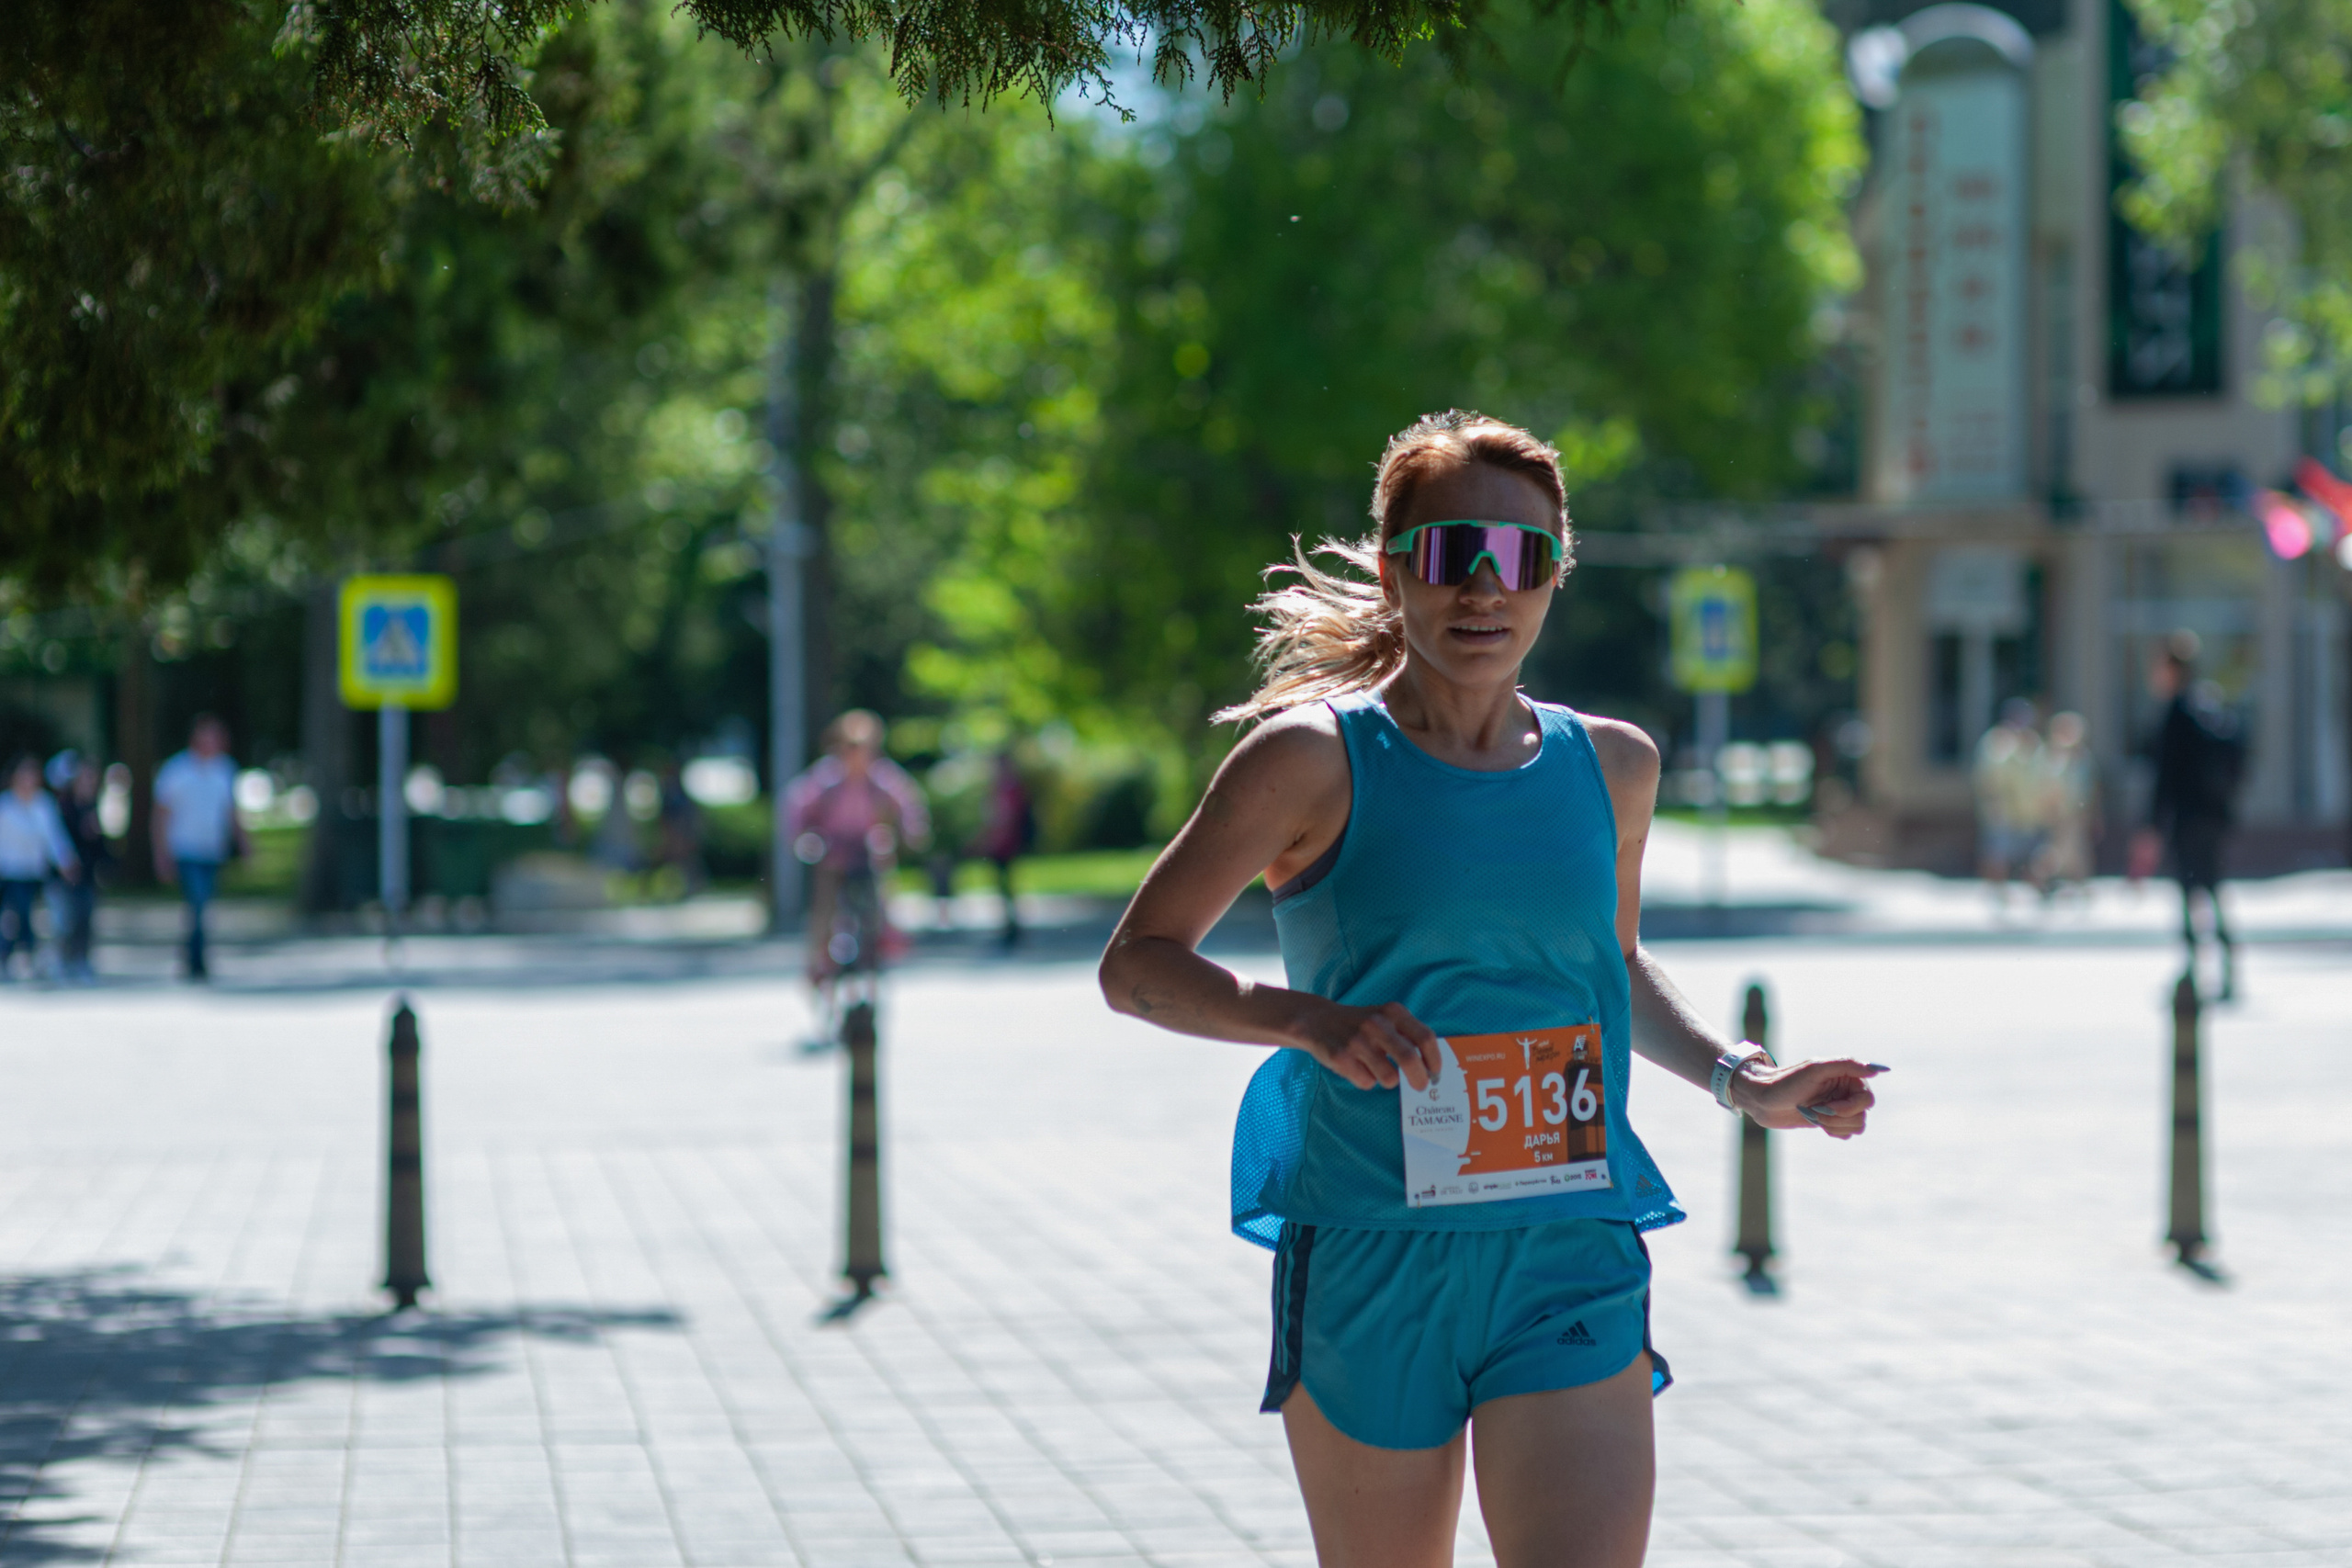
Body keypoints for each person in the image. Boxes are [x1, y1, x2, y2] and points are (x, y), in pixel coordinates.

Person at [1098, 411, 1883, 1568]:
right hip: (1373, 1251)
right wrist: (1303, 1019)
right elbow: (1139, 965)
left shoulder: (1612, 765)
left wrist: (1743, 1081)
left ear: (1557, 575)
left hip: (1564, 1243)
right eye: (1447, 551)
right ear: (1392, 568)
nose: (1482, 587)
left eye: (1519, 557)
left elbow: (1609, 962)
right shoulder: (1308, 758)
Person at [784, 710, 931, 1002]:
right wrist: (802, 838)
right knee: (825, 903)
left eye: (864, 747)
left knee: (882, 877)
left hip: (867, 847)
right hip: (835, 849)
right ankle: (819, 959)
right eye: (850, 747)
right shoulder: (827, 779)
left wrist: (913, 830)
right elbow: (797, 806)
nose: (857, 755)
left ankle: (887, 933)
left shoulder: (881, 777)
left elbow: (907, 802)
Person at [2132, 631, 2245, 998]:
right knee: (2211, 889)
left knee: (2188, 893)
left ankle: (2194, 971)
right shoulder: (2208, 706)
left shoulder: (2176, 713)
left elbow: (2163, 778)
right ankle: (2226, 965)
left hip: (2186, 819)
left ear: (2171, 668)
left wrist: (2150, 826)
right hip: (2213, 817)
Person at [153, 715, 245, 981]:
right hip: (185, 848)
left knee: (203, 907)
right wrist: (162, 853)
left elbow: (231, 812)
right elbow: (161, 815)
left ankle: (193, 954)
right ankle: (196, 960)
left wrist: (243, 842)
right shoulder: (176, 771)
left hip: (212, 848)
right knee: (198, 902)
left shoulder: (224, 770)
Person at [0, 755, 80, 981]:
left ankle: (22, 955)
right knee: (15, 914)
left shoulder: (43, 804)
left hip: (33, 871)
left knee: (28, 915)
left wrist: (66, 860)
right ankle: (14, 955)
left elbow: (54, 837)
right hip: (8, 871)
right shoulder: (5, 805)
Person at [1972, 698, 2045, 902]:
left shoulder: (2033, 743)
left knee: (2037, 855)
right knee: (1998, 855)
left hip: (2029, 812)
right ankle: (1997, 893)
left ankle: (2039, 891)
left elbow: (2041, 774)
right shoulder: (1996, 741)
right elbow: (1990, 776)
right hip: (2002, 810)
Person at [44, 750, 106, 981]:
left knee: (84, 920)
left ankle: (81, 961)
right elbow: (55, 841)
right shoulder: (62, 808)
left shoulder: (93, 808)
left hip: (87, 877)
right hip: (62, 877)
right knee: (63, 921)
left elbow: (101, 849)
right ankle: (61, 961)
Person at [968, 750, 1035, 948]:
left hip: (1006, 844)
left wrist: (990, 839)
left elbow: (1004, 818)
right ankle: (1010, 926)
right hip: (1004, 842)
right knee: (1004, 887)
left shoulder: (1008, 789)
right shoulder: (1005, 787)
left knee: (1006, 887)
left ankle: (1012, 929)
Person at [2034, 712, 2099, 897]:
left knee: (2078, 853)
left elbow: (2090, 788)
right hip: (2060, 816)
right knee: (2057, 853)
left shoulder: (2083, 758)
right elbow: (2047, 787)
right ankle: (2041, 880)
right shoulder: (2052, 757)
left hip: (2077, 815)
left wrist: (2092, 812)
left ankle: (2081, 887)